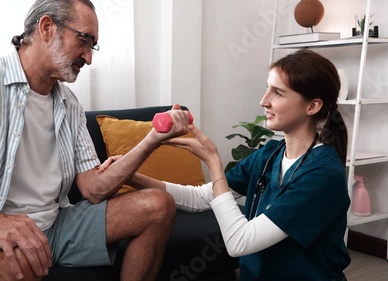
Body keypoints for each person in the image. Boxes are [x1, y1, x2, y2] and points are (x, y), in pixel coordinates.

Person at [0, 0, 193, 280]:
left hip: (56, 224)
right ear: (47, 28)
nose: (87, 57)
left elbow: (94, 188)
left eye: (93, 47)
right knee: (16, 258)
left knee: (158, 205)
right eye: (83, 40)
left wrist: (153, 139)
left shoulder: (69, 105)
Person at [101, 49, 351, 280]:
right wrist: (131, 174)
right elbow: (201, 197)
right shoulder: (269, 155)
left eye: (278, 93)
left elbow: (239, 242)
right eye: (267, 89)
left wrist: (213, 161)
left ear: (313, 106)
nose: (264, 101)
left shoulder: (323, 174)